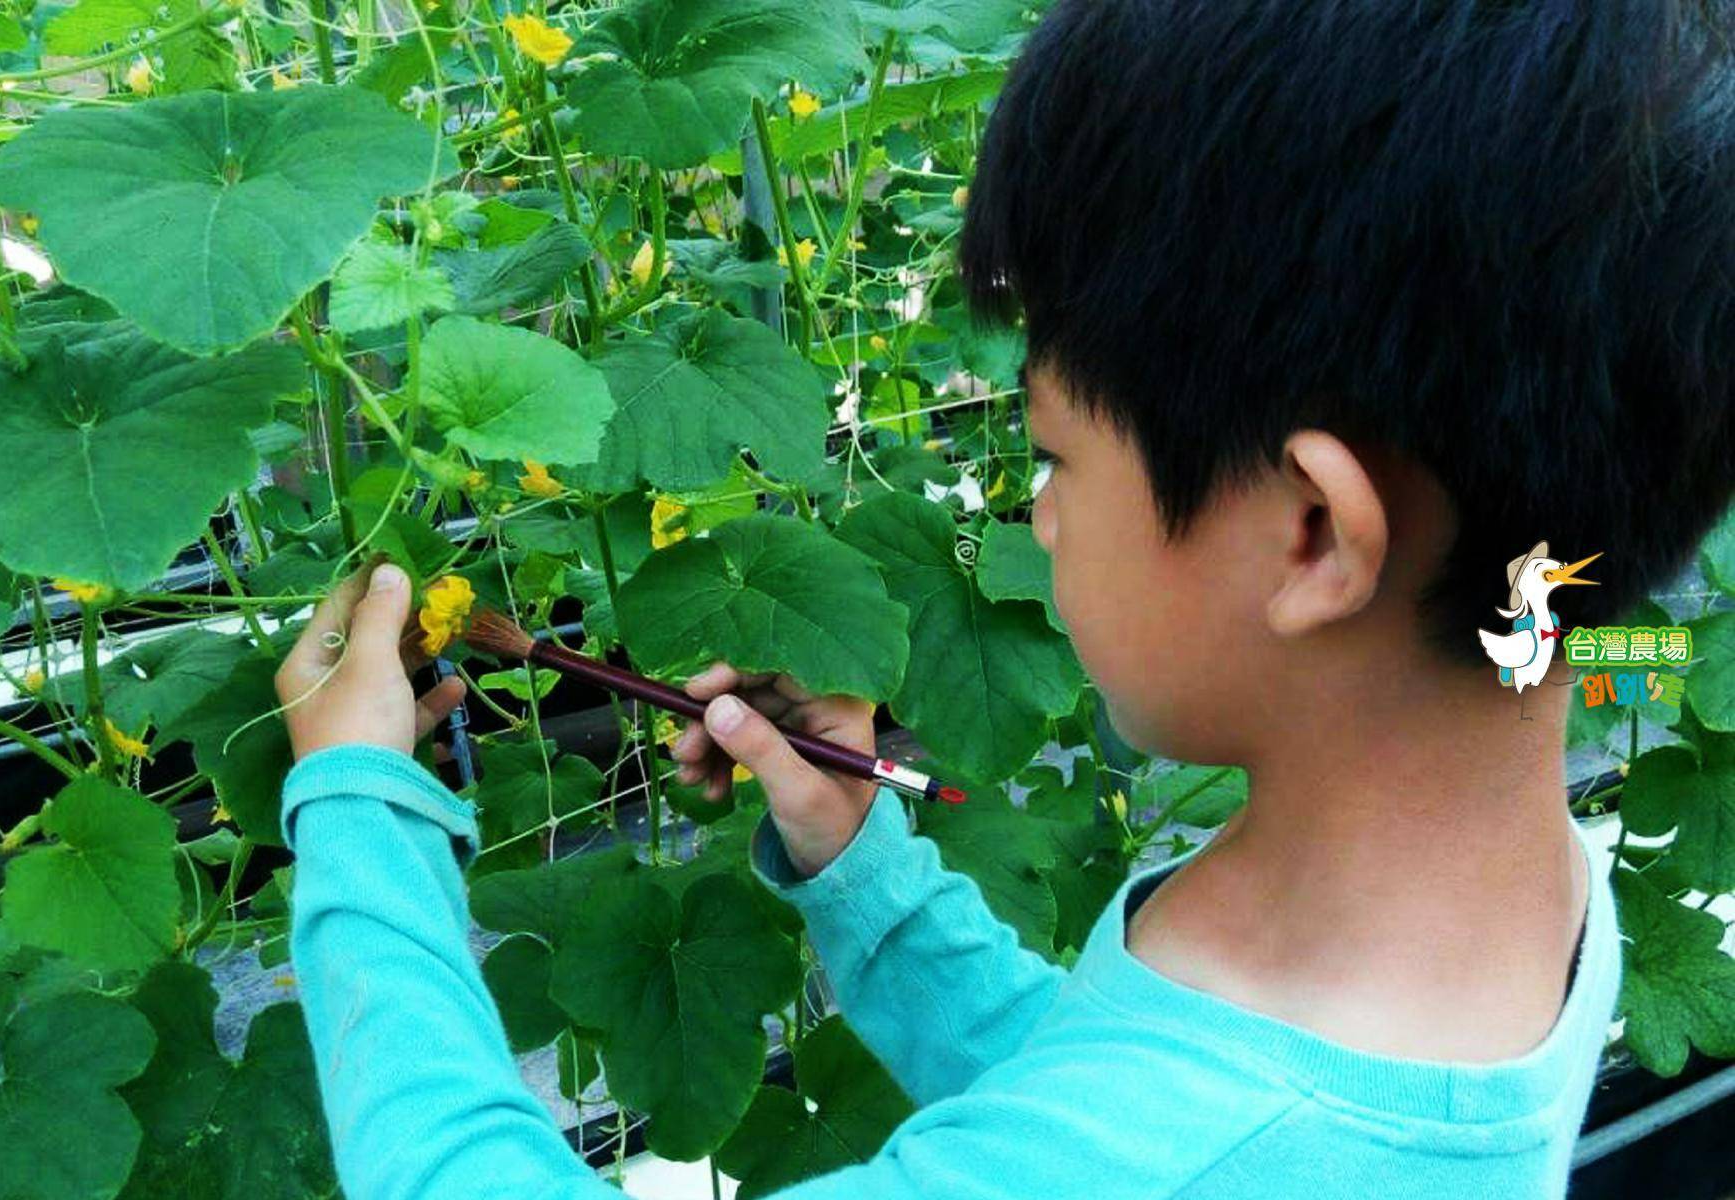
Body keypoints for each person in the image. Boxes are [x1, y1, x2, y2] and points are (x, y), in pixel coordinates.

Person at [273, 1, 1735, 1196]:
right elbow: (1105, 1105)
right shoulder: (1514, 884)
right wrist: (865, 865)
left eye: (1050, 454)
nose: (1035, 512)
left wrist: (357, 808)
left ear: (1309, 535)